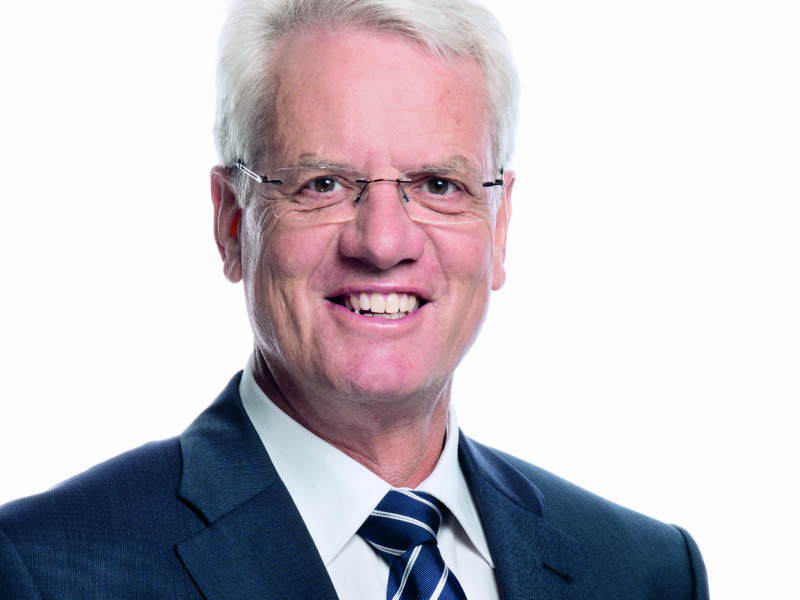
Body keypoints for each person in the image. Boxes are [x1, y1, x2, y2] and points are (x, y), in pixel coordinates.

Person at [0, 0, 708, 598]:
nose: (383, 242)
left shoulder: (647, 573)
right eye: (324, 184)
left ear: (498, 227)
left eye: (439, 185)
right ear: (232, 221)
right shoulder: (46, 571)